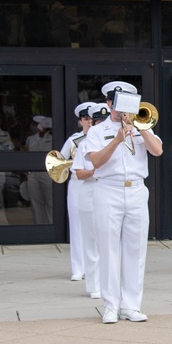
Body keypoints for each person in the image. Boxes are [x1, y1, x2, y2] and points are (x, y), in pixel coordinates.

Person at [81, 81, 163, 324]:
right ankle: (110, 305)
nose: (121, 109)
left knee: (136, 250)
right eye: (117, 104)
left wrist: (142, 127)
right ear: (108, 104)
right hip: (108, 190)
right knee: (108, 249)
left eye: (126, 103)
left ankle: (131, 305)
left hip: (137, 190)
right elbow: (95, 161)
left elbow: (158, 151)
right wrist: (117, 139)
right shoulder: (97, 130)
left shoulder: (142, 123)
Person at [72, 102, 109, 300]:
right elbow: (79, 173)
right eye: (97, 121)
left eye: (104, 121)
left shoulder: (113, 141)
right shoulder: (84, 143)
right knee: (90, 241)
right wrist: (95, 170)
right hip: (89, 192)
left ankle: (108, 282)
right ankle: (93, 284)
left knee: (109, 240)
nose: (101, 124)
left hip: (108, 191)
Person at [61, 102, 94, 282]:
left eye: (91, 118)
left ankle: (93, 267)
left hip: (97, 183)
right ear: (80, 121)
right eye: (85, 119)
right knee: (77, 226)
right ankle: (78, 268)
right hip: (77, 184)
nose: (89, 122)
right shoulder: (74, 140)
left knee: (96, 226)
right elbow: (60, 160)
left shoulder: (101, 137)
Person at [25, 115, 53, 224]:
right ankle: (39, 226)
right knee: (36, 202)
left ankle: (51, 225)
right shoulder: (30, 139)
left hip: (47, 173)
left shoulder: (52, 139)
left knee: (50, 201)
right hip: (33, 173)